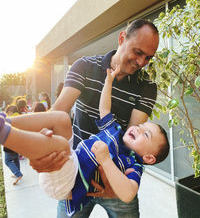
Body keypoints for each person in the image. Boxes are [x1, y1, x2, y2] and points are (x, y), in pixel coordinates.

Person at [30, 19, 160, 218]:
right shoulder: (85, 66)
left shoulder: (147, 87)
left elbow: (133, 139)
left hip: (117, 178)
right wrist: (41, 152)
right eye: (138, 52)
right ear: (122, 38)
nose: (142, 62)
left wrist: (118, 185)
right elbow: (58, 113)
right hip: (77, 174)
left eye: (148, 57)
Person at [0, 67, 169, 217]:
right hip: (70, 163)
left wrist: (105, 160)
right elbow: (104, 109)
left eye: (146, 134)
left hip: (68, 183)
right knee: (61, 119)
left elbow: (128, 194)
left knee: (59, 145)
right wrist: (108, 82)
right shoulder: (115, 131)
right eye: (141, 126)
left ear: (148, 158)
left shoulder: (134, 165)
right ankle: (7, 122)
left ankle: (4, 133)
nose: (138, 128)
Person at [3, 105, 23, 185]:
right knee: (16, 159)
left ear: (10, 112)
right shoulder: (19, 119)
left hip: (9, 145)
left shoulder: (9, 121)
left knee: (7, 161)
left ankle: (18, 174)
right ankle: (17, 172)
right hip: (17, 144)